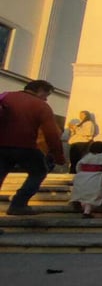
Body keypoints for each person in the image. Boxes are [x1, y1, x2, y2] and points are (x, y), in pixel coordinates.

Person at [0, 80, 66, 215]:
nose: (46, 99)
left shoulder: (5, 96)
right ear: (40, 90)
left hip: (1, 145)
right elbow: (52, 134)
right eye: (46, 95)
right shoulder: (41, 106)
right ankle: (19, 204)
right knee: (39, 171)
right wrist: (58, 156)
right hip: (25, 146)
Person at [69, 141, 102, 217]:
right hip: (96, 179)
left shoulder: (86, 157)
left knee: (83, 195)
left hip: (81, 178)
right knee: (91, 198)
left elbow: (78, 167)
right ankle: (87, 212)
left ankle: (80, 204)